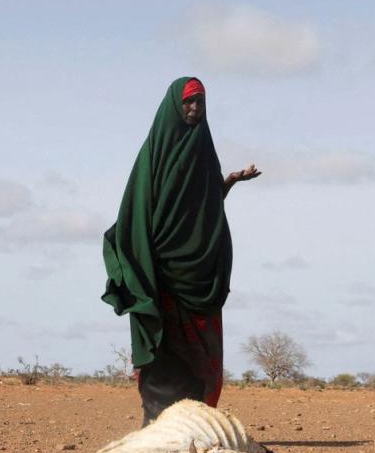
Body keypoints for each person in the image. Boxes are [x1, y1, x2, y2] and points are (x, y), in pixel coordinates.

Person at [102, 77, 260, 425]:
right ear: (175, 105)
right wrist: (142, 259)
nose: (194, 109)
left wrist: (230, 181)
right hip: (162, 271)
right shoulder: (155, 150)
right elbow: (137, 210)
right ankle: (157, 422)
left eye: (200, 102)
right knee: (164, 347)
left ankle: (197, 421)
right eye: (188, 102)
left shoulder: (204, 149)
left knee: (201, 353)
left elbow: (204, 206)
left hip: (198, 272)